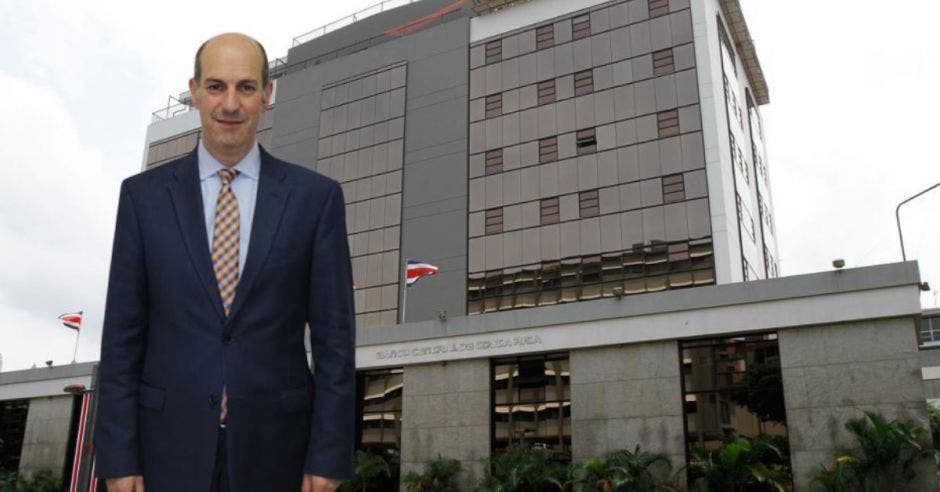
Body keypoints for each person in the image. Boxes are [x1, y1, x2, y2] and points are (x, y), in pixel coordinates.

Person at [94, 33, 356, 492]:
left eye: (246, 87)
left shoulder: (316, 200)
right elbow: (121, 339)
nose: (230, 103)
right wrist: (118, 457)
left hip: (279, 453)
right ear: (194, 91)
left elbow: (336, 344)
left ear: (267, 95)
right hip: (164, 452)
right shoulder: (142, 199)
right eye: (216, 86)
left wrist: (329, 456)